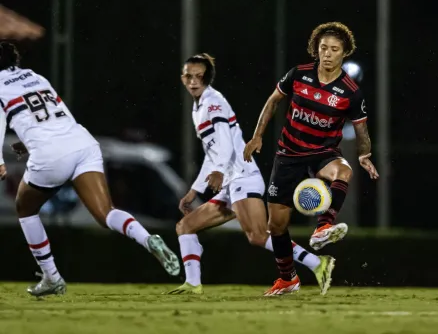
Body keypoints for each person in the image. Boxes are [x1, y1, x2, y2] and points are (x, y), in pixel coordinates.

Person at [0, 42, 180, 297]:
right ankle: (147, 239)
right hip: (82, 142)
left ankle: (52, 277)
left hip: (51, 155)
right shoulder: (35, 77)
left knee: (25, 208)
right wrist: (24, 144)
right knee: (106, 212)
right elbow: (54, 118)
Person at [167, 53, 335, 296]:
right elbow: (213, 153)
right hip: (230, 181)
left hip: (242, 177)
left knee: (257, 235)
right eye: (188, 76)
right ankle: (193, 284)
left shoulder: (213, 102)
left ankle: (317, 263)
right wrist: (195, 189)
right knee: (185, 226)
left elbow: (224, 143)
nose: (193, 81)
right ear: (183, 78)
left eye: (199, 76)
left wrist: (217, 171)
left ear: (207, 78)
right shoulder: (199, 107)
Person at [243, 22, 379, 296]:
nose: (328, 54)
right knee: (276, 225)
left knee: (344, 171)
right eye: (323, 48)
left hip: (322, 153)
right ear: (316, 50)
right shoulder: (298, 74)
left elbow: (361, 128)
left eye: (334, 49)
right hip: (288, 155)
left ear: (344, 53)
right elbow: (272, 102)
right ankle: (288, 279)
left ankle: (323, 226)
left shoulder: (350, 92)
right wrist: (257, 137)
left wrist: (365, 154)